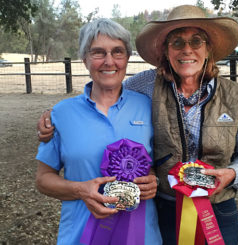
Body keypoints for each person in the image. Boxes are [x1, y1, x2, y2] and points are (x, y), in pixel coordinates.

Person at [37, 5, 238, 245]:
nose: (187, 50)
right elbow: (109, 85)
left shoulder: (235, 96)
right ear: (166, 50)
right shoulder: (147, 86)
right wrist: (54, 115)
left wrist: (230, 174)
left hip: (216, 211)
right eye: (177, 42)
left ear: (208, 48)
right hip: (166, 210)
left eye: (196, 41)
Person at [35, 18, 162, 245]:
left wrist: (154, 179)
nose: (109, 61)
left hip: (141, 237)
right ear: (84, 59)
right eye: (98, 53)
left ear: (127, 58)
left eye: (117, 52)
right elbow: (43, 179)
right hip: (81, 236)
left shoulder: (148, 106)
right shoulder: (61, 114)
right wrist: (80, 190)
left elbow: (160, 160)